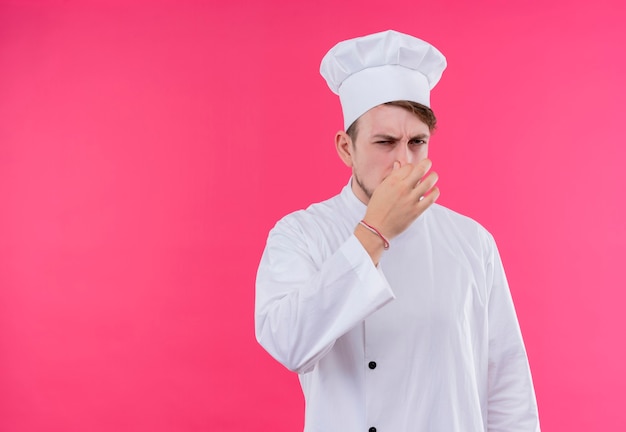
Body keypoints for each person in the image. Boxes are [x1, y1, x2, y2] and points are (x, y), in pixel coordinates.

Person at [255, 30, 540, 432]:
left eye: (417, 142)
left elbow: (507, 386)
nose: (402, 163)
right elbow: (290, 345)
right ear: (345, 148)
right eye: (385, 142)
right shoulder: (302, 234)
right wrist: (374, 232)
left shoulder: (472, 242)